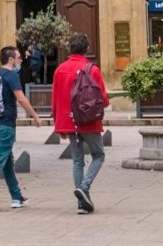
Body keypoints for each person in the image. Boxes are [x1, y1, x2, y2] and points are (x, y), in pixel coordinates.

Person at [0, 46, 42, 213]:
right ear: (11, 60)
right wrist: (35, 116)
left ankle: (16, 197)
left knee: (7, 162)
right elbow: (21, 98)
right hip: (5, 125)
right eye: (18, 58)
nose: (20, 61)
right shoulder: (11, 75)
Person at [51, 33, 110, 215]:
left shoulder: (60, 69)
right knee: (98, 155)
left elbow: (55, 100)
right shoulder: (91, 69)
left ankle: (81, 204)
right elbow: (103, 98)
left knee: (77, 161)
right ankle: (84, 188)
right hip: (88, 120)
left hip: (69, 121)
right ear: (86, 49)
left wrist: (58, 124)